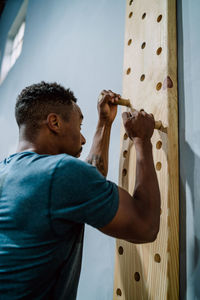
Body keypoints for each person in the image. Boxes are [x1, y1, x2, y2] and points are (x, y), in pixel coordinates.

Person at [0, 81, 160, 299]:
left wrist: (104, 123)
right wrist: (142, 140)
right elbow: (146, 226)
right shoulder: (60, 172)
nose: (83, 138)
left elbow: (87, 180)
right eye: (79, 127)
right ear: (54, 123)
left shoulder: (8, 171)